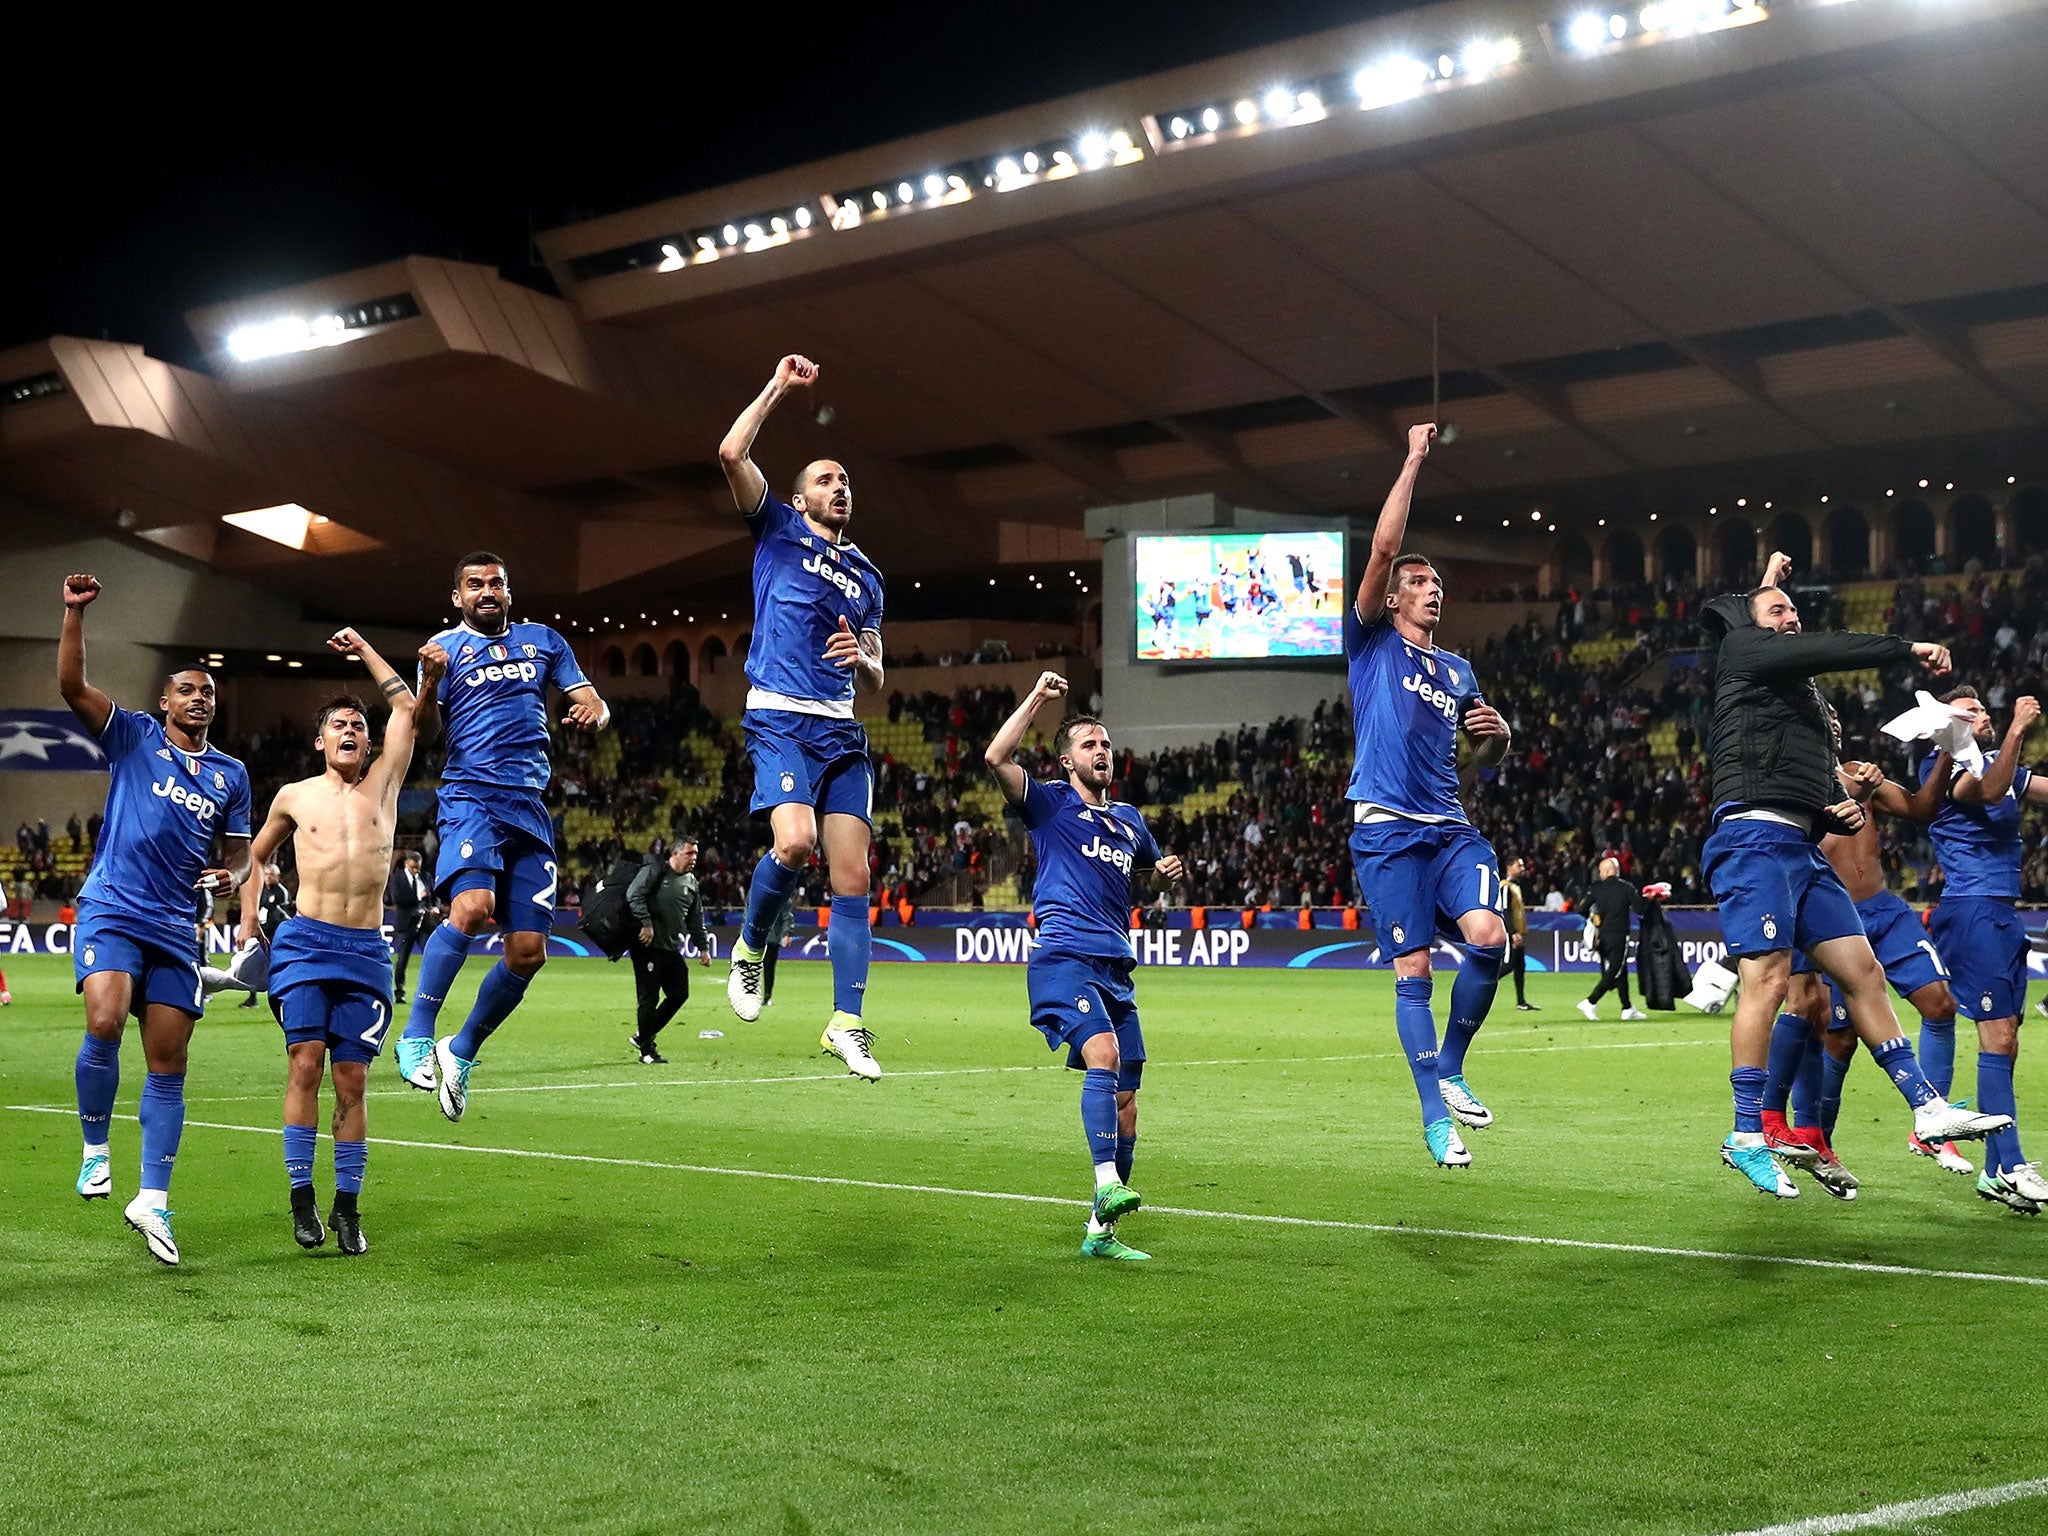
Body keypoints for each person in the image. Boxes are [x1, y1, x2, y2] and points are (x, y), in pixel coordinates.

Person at [1698, 550, 2005, 1200]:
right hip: (1753, 838)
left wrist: (1836, 814)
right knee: (1776, 983)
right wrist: (1905, 646)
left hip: (1799, 848)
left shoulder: (1793, 708)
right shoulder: (1745, 655)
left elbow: (1877, 801)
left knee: (1863, 973)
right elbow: (1807, 642)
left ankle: (1926, 1107)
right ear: (1749, 624)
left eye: (1793, 611)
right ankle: (1748, 1131)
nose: (1791, 619)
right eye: (1779, 610)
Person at [58, 573, 251, 1265]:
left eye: (209, 692)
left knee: (169, 1065)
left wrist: (234, 875)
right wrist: (74, 615)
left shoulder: (231, 775)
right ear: (165, 701)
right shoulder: (135, 737)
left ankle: (155, 1201)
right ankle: (93, 1150)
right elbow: (73, 688)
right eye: (188, 689)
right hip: (114, 906)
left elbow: (238, 855)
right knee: (105, 1021)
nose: (201, 697)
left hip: (175, 926)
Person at [1345, 424, 1513, 1169]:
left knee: (1490, 938)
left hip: (1448, 825)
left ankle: (1450, 1066)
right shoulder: (1371, 642)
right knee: (1412, 969)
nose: (1432, 589)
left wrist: (1498, 739)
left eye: (1438, 584)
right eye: (1419, 582)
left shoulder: (1459, 671)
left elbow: (1479, 761)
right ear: (1393, 594)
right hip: (1386, 828)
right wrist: (1412, 457)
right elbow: (1382, 549)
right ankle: (1431, 1118)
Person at [716, 354, 886, 1081]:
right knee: (794, 845)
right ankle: (753, 947)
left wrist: (864, 660)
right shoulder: (776, 529)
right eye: (826, 478)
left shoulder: (869, 577)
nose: (839, 486)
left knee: (854, 878)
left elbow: (878, 670)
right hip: (781, 715)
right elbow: (730, 451)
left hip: (842, 730)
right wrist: (778, 390)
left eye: (845, 479)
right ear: (799, 496)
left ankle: (847, 1022)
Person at [394, 552, 609, 1122]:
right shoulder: (443, 650)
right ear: (457, 597)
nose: (486, 592)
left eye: (496, 583)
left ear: (509, 593)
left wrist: (596, 713)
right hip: (471, 797)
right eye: (474, 585)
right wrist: (431, 683)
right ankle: (416, 1031)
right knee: (472, 907)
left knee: (529, 952)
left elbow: (593, 703)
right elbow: (426, 732)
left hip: (530, 809)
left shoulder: (545, 641)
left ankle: (460, 1050)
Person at [242, 629, 436, 1254]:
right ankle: (302, 1202)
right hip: (303, 944)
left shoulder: (385, 786)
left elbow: (406, 706)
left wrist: (364, 652)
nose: (351, 732)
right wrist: (248, 920)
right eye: (339, 725)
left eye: (358, 724)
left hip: (364, 951)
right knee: (305, 1063)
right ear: (319, 740)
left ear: (368, 739)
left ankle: (347, 1208)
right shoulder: (294, 796)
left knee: (352, 1079)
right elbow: (255, 854)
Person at [985, 670, 1185, 1260]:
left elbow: (1144, 871)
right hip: (1063, 957)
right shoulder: (1049, 804)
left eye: (1106, 745)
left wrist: (1163, 871)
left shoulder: (1129, 821)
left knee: (1128, 1096)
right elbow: (997, 755)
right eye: (1090, 746)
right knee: (1104, 1055)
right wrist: (1038, 701)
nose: (1103, 752)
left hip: (1116, 967)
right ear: (1067, 762)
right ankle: (1106, 1186)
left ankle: (1101, 1235)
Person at [1768, 724, 1957, 1201]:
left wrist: (1947, 752)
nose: (1831, 728)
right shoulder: (1789, 780)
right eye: (1820, 719)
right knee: (1836, 1034)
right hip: (1825, 916)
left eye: (1834, 722)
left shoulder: (1858, 773)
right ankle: (1814, 1141)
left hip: (1881, 909)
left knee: (1940, 1003)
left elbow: (1920, 808)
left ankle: (1931, 1119)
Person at [1925, 688, 2048, 1213]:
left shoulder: (1999, 762)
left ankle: (1997, 1171)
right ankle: (2013, 1164)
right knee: (1995, 1034)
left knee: (2008, 1040)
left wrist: (2012, 745)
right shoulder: (1946, 766)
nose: (1985, 717)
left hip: (2001, 910)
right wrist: (2020, 728)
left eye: (1985, 710)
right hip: (1971, 908)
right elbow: (1989, 795)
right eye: (1970, 712)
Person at [626, 838, 711, 1064]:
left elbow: (695, 918)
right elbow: (633, 894)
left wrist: (703, 947)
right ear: (675, 853)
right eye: (689, 853)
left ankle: (643, 1035)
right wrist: (646, 923)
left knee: (679, 993)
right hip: (647, 947)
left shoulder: (691, 882)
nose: (694, 858)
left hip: (670, 947)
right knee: (649, 998)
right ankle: (646, 1050)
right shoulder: (655, 872)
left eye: (696, 854)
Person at [1577, 858, 1648, 1021]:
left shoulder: (1596, 888)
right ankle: (1591, 1001)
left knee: (1620, 971)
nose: (1600, 873)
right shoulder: (1626, 887)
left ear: (1609, 870)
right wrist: (1649, 898)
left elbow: (1581, 909)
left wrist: (1594, 916)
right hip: (1619, 934)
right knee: (1616, 968)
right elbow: (1640, 909)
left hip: (1602, 936)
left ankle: (1627, 1007)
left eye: (1601, 870)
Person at [384, 850, 433, 1005]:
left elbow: (434, 895)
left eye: (417, 867)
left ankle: (428, 992)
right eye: (413, 867)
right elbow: (397, 898)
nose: (415, 871)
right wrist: (419, 897)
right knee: (403, 959)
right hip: (407, 923)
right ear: (407, 864)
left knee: (431, 955)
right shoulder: (397, 878)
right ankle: (399, 991)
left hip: (424, 922)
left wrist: (435, 907)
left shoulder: (425, 877)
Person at [1503, 858, 1535, 1011]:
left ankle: (1521, 1001)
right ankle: (1480, 988)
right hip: (1510, 933)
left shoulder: (1515, 886)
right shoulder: (1505, 886)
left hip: (1517, 932)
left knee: (1519, 966)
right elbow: (1505, 911)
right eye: (1518, 865)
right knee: (1508, 965)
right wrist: (1512, 932)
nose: (1522, 868)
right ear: (1509, 867)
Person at [760, 898, 797, 1008]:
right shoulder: (755, 895)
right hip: (759, 936)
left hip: (772, 938)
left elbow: (787, 917)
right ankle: (752, 995)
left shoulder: (783, 898)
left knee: (768, 967)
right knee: (753, 967)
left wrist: (787, 933)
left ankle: (767, 996)